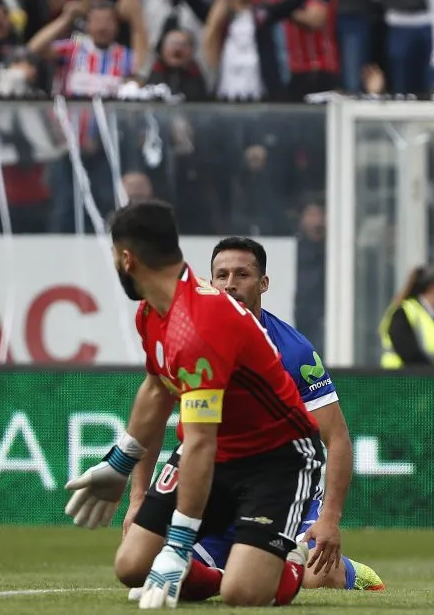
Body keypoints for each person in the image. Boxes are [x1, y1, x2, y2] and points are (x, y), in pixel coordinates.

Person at [63, 199, 323, 609]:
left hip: (276, 459)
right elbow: (156, 388)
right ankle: (218, 574)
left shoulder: (201, 323)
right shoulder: (153, 310)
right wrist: (120, 463)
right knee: (131, 565)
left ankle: (290, 562)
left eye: (114, 258)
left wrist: (179, 543)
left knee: (244, 595)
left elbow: (201, 441)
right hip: (213, 451)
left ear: (127, 259)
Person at [125, 236, 384, 600]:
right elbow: (152, 412)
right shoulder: (188, 335)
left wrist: (330, 519)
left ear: (263, 283)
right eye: (222, 275)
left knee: (313, 578)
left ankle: (344, 571)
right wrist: (138, 497)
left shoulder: (294, 351)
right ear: (211, 282)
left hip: (275, 484)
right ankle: (230, 573)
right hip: (214, 485)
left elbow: (336, 437)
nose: (231, 284)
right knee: (138, 565)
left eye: (242, 274)